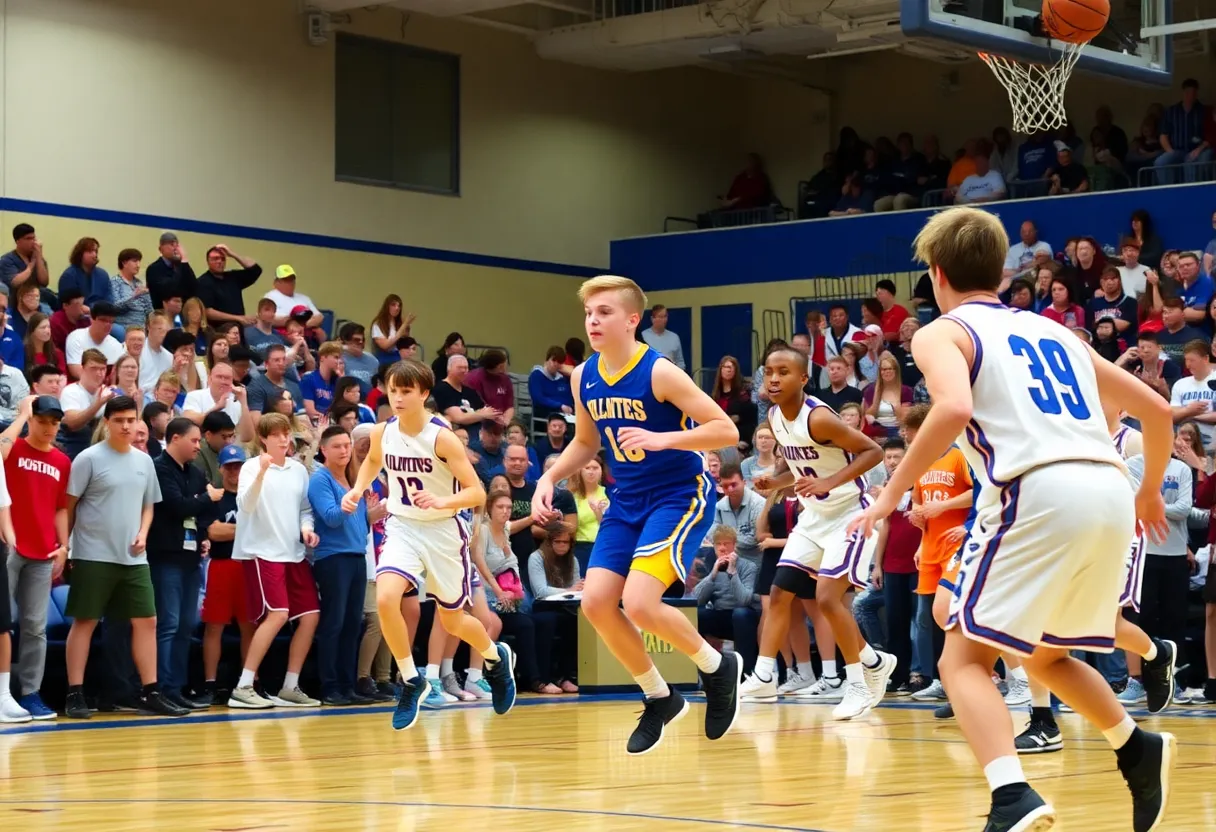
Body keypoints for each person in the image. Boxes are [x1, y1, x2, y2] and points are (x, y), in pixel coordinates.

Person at [848, 206, 1176, 832]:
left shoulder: (940, 332)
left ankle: (1011, 796)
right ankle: (1136, 748)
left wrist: (889, 495)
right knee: (1045, 652)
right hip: (1106, 487)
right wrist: (1150, 491)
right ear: (1001, 272)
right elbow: (1157, 411)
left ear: (937, 274)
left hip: (1036, 488)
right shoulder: (1058, 333)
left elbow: (952, 408)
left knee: (961, 660)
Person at [530, 275, 742, 756]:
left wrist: (664, 438)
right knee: (597, 603)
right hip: (628, 497)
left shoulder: (660, 372)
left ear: (632, 320)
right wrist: (548, 479)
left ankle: (716, 666)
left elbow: (724, 428)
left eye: (604, 312)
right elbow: (586, 442)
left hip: (678, 493)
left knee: (642, 602)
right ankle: (659, 697)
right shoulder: (583, 375)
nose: (593, 321)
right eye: (589, 313)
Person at [342, 360, 517, 730]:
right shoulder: (382, 431)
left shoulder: (442, 437)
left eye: (407, 391)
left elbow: (477, 492)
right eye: (393, 391)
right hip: (403, 525)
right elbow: (373, 462)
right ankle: (411, 679)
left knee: (453, 620)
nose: (399, 398)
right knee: (387, 598)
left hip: (443, 531)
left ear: (424, 394)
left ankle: (494, 658)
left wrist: (442, 502)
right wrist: (357, 490)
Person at [739, 346, 895, 717]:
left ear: (804, 379)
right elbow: (801, 472)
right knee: (779, 593)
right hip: (813, 517)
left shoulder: (819, 418)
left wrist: (829, 481)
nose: (774, 378)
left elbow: (872, 451)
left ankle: (858, 682)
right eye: (768, 372)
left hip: (848, 514)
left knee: (827, 598)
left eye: (783, 372)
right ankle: (764, 676)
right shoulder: (775, 417)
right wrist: (774, 482)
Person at [62, 397, 188, 719]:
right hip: (92, 555)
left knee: (148, 621)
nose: (126, 426)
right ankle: (75, 693)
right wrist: (67, 548)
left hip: (134, 558)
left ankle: (150, 691)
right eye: (119, 420)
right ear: (106, 422)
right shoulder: (87, 459)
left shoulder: (145, 461)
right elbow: (69, 507)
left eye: (131, 419)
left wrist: (144, 532)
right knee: (86, 621)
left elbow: (148, 505)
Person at [228, 413, 322, 709]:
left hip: (293, 553)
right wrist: (260, 475)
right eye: (277, 434)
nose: (284, 439)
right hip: (261, 552)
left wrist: (307, 529)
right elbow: (244, 505)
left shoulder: (298, 470)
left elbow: (305, 509)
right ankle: (243, 687)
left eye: (287, 433)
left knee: (310, 616)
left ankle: (290, 686)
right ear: (264, 439)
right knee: (278, 614)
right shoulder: (250, 467)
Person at [1, 395, 71, 720]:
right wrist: (21, 415)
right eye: (42, 421)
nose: (48, 428)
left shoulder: (62, 462)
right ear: (31, 420)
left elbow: (60, 507)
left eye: (54, 423)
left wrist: (64, 545)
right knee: (2, 624)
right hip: (9, 546)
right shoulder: (13, 448)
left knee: (35, 628)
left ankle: (30, 693)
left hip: (43, 552)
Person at [148, 417, 225, 711]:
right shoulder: (158, 468)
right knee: (167, 624)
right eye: (193, 441)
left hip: (191, 557)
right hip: (164, 556)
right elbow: (177, 505)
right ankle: (162, 688)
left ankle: (176, 687)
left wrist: (203, 531)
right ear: (175, 438)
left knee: (184, 626)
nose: (198, 446)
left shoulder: (194, 472)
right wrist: (202, 498)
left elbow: (204, 510)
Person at [199, 443, 254, 705]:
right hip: (221, 564)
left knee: (249, 627)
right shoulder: (215, 497)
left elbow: (226, 529)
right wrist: (246, 528)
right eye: (230, 466)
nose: (235, 471)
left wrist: (230, 528)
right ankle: (210, 684)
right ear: (221, 468)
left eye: (239, 466)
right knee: (214, 626)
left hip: (248, 565)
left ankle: (248, 683)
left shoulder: (253, 496)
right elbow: (213, 531)